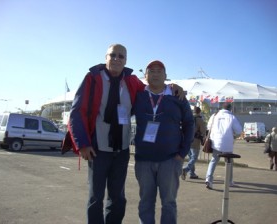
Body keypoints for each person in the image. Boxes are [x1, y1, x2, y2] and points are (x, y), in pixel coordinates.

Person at [61, 44, 185, 224]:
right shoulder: (93, 78)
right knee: (95, 197)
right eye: (113, 55)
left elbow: (153, 86)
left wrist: (173, 86)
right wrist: (83, 144)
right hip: (98, 148)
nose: (116, 59)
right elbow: (76, 112)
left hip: (122, 149)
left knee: (117, 197)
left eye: (121, 56)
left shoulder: (131, 81)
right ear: (106, 58)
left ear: (126, 60)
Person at [133, 60, 194, 224]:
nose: (155, 74)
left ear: (166, 76)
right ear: (145, 76)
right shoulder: (138, 95)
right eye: (151, 71)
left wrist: (182, 153)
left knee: (169, 203)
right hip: (144, 160)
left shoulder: (177, 96)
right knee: (145, 202)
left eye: (159, 71)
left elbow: (189, 123)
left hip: (170, 159)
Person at [205, 103, 242, 190]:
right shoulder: (231, 117)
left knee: (214, 160)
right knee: (229, 161)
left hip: (215, 142)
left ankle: (208, 179)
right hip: (227, 143)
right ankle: (229, 181)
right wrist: (233, 134)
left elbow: (208, 127)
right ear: (230, 109)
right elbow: (239, 130)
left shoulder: (214, 115)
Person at [181, 106, 206, 180]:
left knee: (191, 157)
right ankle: (186, 169)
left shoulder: (188, 118)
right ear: (199, 112)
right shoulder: (199, 120)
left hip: (187, 140)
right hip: (195, 141)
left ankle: (192, 173)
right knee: (194, 157)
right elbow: (203, 131)